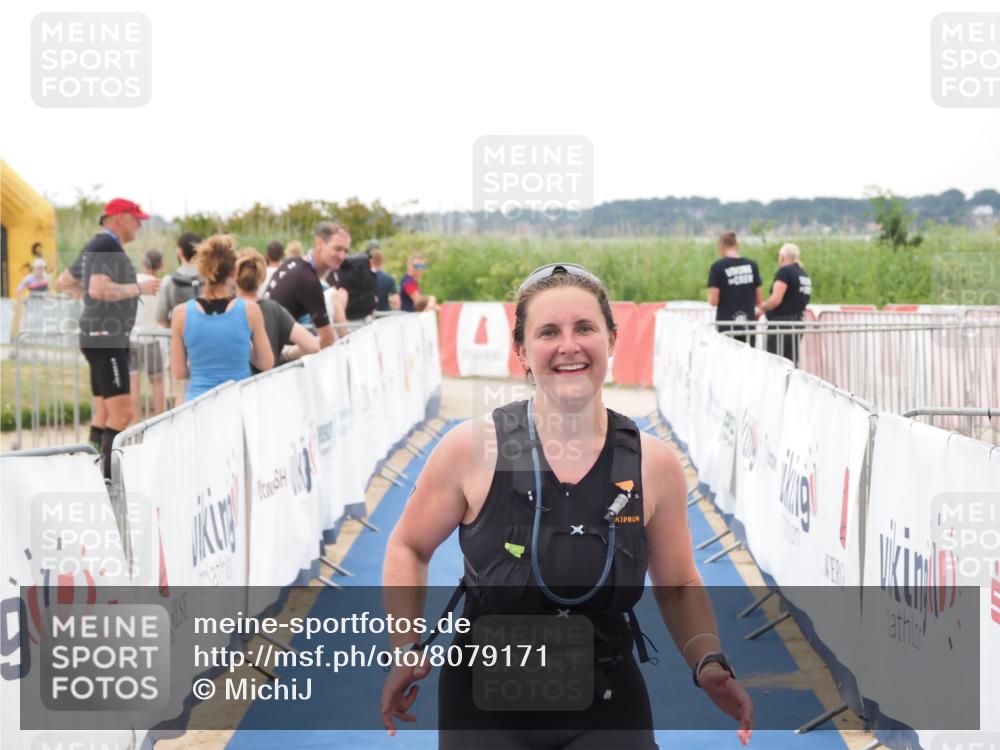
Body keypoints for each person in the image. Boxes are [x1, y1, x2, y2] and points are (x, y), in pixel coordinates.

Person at [381, 263, 754, 749]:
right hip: (484, 703)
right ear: (521, 350)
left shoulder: (652, 464)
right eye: (548, 332)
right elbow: (408, 545)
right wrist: (405, 646)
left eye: (585, 328)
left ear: (612, 339)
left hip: (606, 700)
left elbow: (679, 582)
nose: (569, 346)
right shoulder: (474, 449)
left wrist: (707, 659)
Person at [59, 198, 160, 478]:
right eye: (136, 218)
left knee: (103, 414)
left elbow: (64, 282)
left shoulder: (96, 244)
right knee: (122, 414)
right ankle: (106, 482)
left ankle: (87, 474)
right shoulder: (106, 245)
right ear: (119, 218)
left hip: (98, 335)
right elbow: (99, 289)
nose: (140, 224)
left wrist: (93, 300)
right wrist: (137, 288)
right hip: (105, 337)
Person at [170, 235, 273, 402]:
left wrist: (205, 366)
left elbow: (178, 371)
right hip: (238, 402)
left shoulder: (181, 313)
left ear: (202, 269)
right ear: (233, 271)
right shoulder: (249, 310)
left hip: (198, 404)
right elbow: (266, 363)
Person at [264, 221, 349, 347]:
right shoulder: (308, 279)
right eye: (337, 249)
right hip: (276, 358)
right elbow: (327, 340)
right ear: (319, 243)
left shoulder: (292, 262)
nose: (342, 256)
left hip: (266, 350)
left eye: (346, 251)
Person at [235, 249, 319, 373]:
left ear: (233, 275)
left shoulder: (227, 310)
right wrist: (286, 354)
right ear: (262, 277)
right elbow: (312, 345)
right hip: (269, 384)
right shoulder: (272, 308)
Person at [758, 243, 812, 362]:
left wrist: (763, 307)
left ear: (782, 257)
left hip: (781, 324)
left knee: (774, 362)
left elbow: (776, 299)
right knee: (790, 362)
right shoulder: (803, 274)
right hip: (797, 323)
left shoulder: (784, 272)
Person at [706, 231, 762, 344]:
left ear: (721, 247)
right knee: (748, 359)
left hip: (726, 326)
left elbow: (713, 301)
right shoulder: (752, 265)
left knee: (727, 360)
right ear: (737, 245)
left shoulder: (717, 267)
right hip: (749, 325)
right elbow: (760, 299)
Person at [130, 249, 166, 418]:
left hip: (133, 336)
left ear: (143, 262)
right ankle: (159, 419)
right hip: (152, 337)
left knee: (133, 381)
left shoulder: (133, 282)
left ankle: (135, 422)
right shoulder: (161, 285)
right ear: (161, 265)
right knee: (158, 381)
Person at [154, 232, 204, 326]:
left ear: (180, 251)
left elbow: (160, 318)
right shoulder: (210, 279)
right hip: (205, 336)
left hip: (179, 336)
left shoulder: (168, 280)